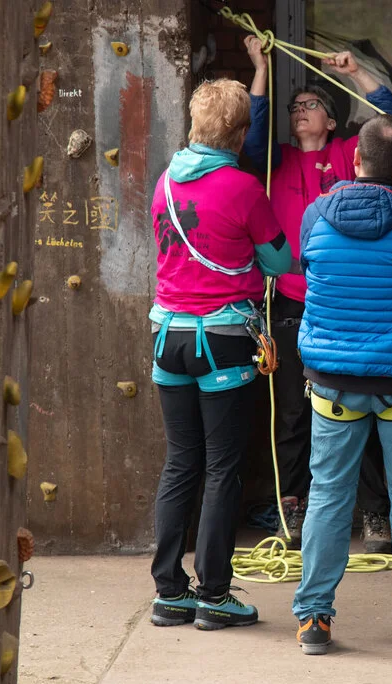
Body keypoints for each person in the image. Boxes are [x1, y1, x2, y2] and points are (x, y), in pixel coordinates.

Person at [291, 114, 392, 658]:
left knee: (328, 495)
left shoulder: (316, 214)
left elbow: (311, 274)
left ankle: (313, 619)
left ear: (355, 160)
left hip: (334, 383)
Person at [242, 36, 392, 552]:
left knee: (360, 405)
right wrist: (260, 68)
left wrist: (356, 72)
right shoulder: (277, 160)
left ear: (333, 121)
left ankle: (375, 514)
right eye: (295, 106)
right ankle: (292, 508)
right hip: (287, 302)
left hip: (344, 300)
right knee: (292, 412)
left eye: (311, 104)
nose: (299, 111)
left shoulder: (345, 154)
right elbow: (253, 135)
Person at [148, 78, 292, 630]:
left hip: (168, 336)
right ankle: (214, 594)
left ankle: (169, 592)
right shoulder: (242, 187)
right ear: (239, 133)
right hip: (223, 338)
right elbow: (279, 262)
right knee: (222, 469)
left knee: (180, 462)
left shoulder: (165, 180)